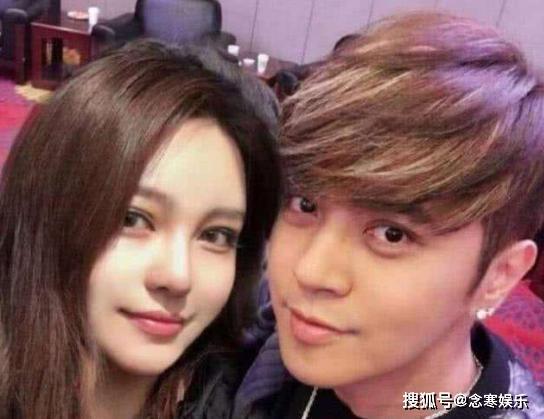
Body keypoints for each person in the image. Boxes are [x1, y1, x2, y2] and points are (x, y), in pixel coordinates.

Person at [235, 12, 544, 419]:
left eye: (391, 234)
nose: (309, 271)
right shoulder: (264, 339)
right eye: (306, 205)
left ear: (499, 276)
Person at [0, 39, 281, 419]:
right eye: (133, 219)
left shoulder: (247, 401)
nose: (178, 277)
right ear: (49, 211)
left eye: (216, 235)